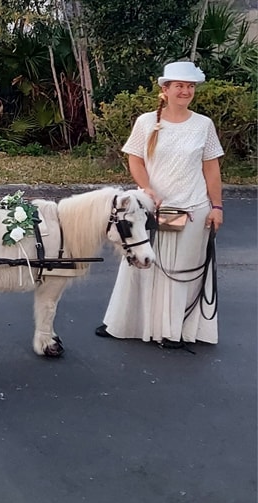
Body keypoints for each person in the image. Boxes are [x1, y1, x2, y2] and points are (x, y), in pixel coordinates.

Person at [96, 61, 224, 350]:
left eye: (190, 86)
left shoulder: (203, 125)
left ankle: (172, 329)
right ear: (164, 90)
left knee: (183, 268)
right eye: (179, 85)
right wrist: (147, 190)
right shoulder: (146, 122)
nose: (186, 91)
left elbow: (212, 169)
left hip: (193, 207)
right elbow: (135, 159)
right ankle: (125, 323)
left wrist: (217, 207)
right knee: (141, 263)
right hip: (153, 207)